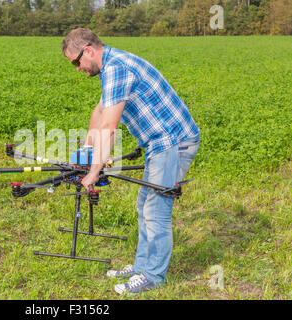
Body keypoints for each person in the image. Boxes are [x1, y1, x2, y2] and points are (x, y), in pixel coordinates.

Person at [61, 28, 200, 295]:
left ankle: (153, 276)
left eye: (76, 62)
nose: (77, 68)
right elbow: (100, 111)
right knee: (144, 204)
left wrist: (93, 172)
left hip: (173, 142)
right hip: (158, 143)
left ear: (87, 50)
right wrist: (87, 149)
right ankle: (141, 266)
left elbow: (109, 128)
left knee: (155, 210)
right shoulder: (111, 66)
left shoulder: (117, 68)